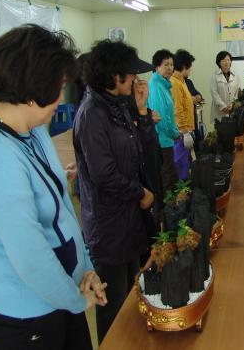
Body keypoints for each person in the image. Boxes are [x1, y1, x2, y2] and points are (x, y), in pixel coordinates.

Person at [0, 24, 104, 350]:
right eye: (58, 87)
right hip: (25, 316)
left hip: (62, 295)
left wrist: (85, 269)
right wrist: (76, 300)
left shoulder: (33, 131)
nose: (61, 99)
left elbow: (63, 210)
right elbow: (30, 254)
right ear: (33, 89)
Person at [73, 39, 155, 343]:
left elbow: (140, 153)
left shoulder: (118, 105)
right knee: (114, 306)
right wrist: (140, 193)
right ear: (112, 75)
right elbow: (103, 174)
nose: (135, 79)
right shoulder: (92, 114)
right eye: (130, 74)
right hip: (109, 225)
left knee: (133, 295)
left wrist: (141, 109)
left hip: (129, 219)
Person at [148, 49, 180, 193]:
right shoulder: (156, 86)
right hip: (162, 140)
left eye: (171, 65)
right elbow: (160, 118)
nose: (170, 68)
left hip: (166, 139)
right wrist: (174, 133)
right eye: (166, 64)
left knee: (170, 176)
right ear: (156, 66)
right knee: (166, 180)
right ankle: (166, 206)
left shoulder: (163, 84)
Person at [171, 49, 196, 175]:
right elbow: (177, 109)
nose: (190, 70)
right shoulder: (175, 83)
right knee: (181, 163)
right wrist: (185, 132)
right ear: (185, 66)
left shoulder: (182, 81)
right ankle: (182, 184)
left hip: (187, 129)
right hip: (182, 132)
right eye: (190, 67)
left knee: (187, 161)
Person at [210, 50, 240, 123]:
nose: (226, 62)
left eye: (228, 60)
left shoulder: (235, 75)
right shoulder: (215, 76)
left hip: (232, 109)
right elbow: (214, 93)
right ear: (219, 62)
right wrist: (223, 106)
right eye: (223, 60)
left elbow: (237, 91)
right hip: (219, 110)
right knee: (220, 128)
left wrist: (232, 105)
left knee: (232, 127)